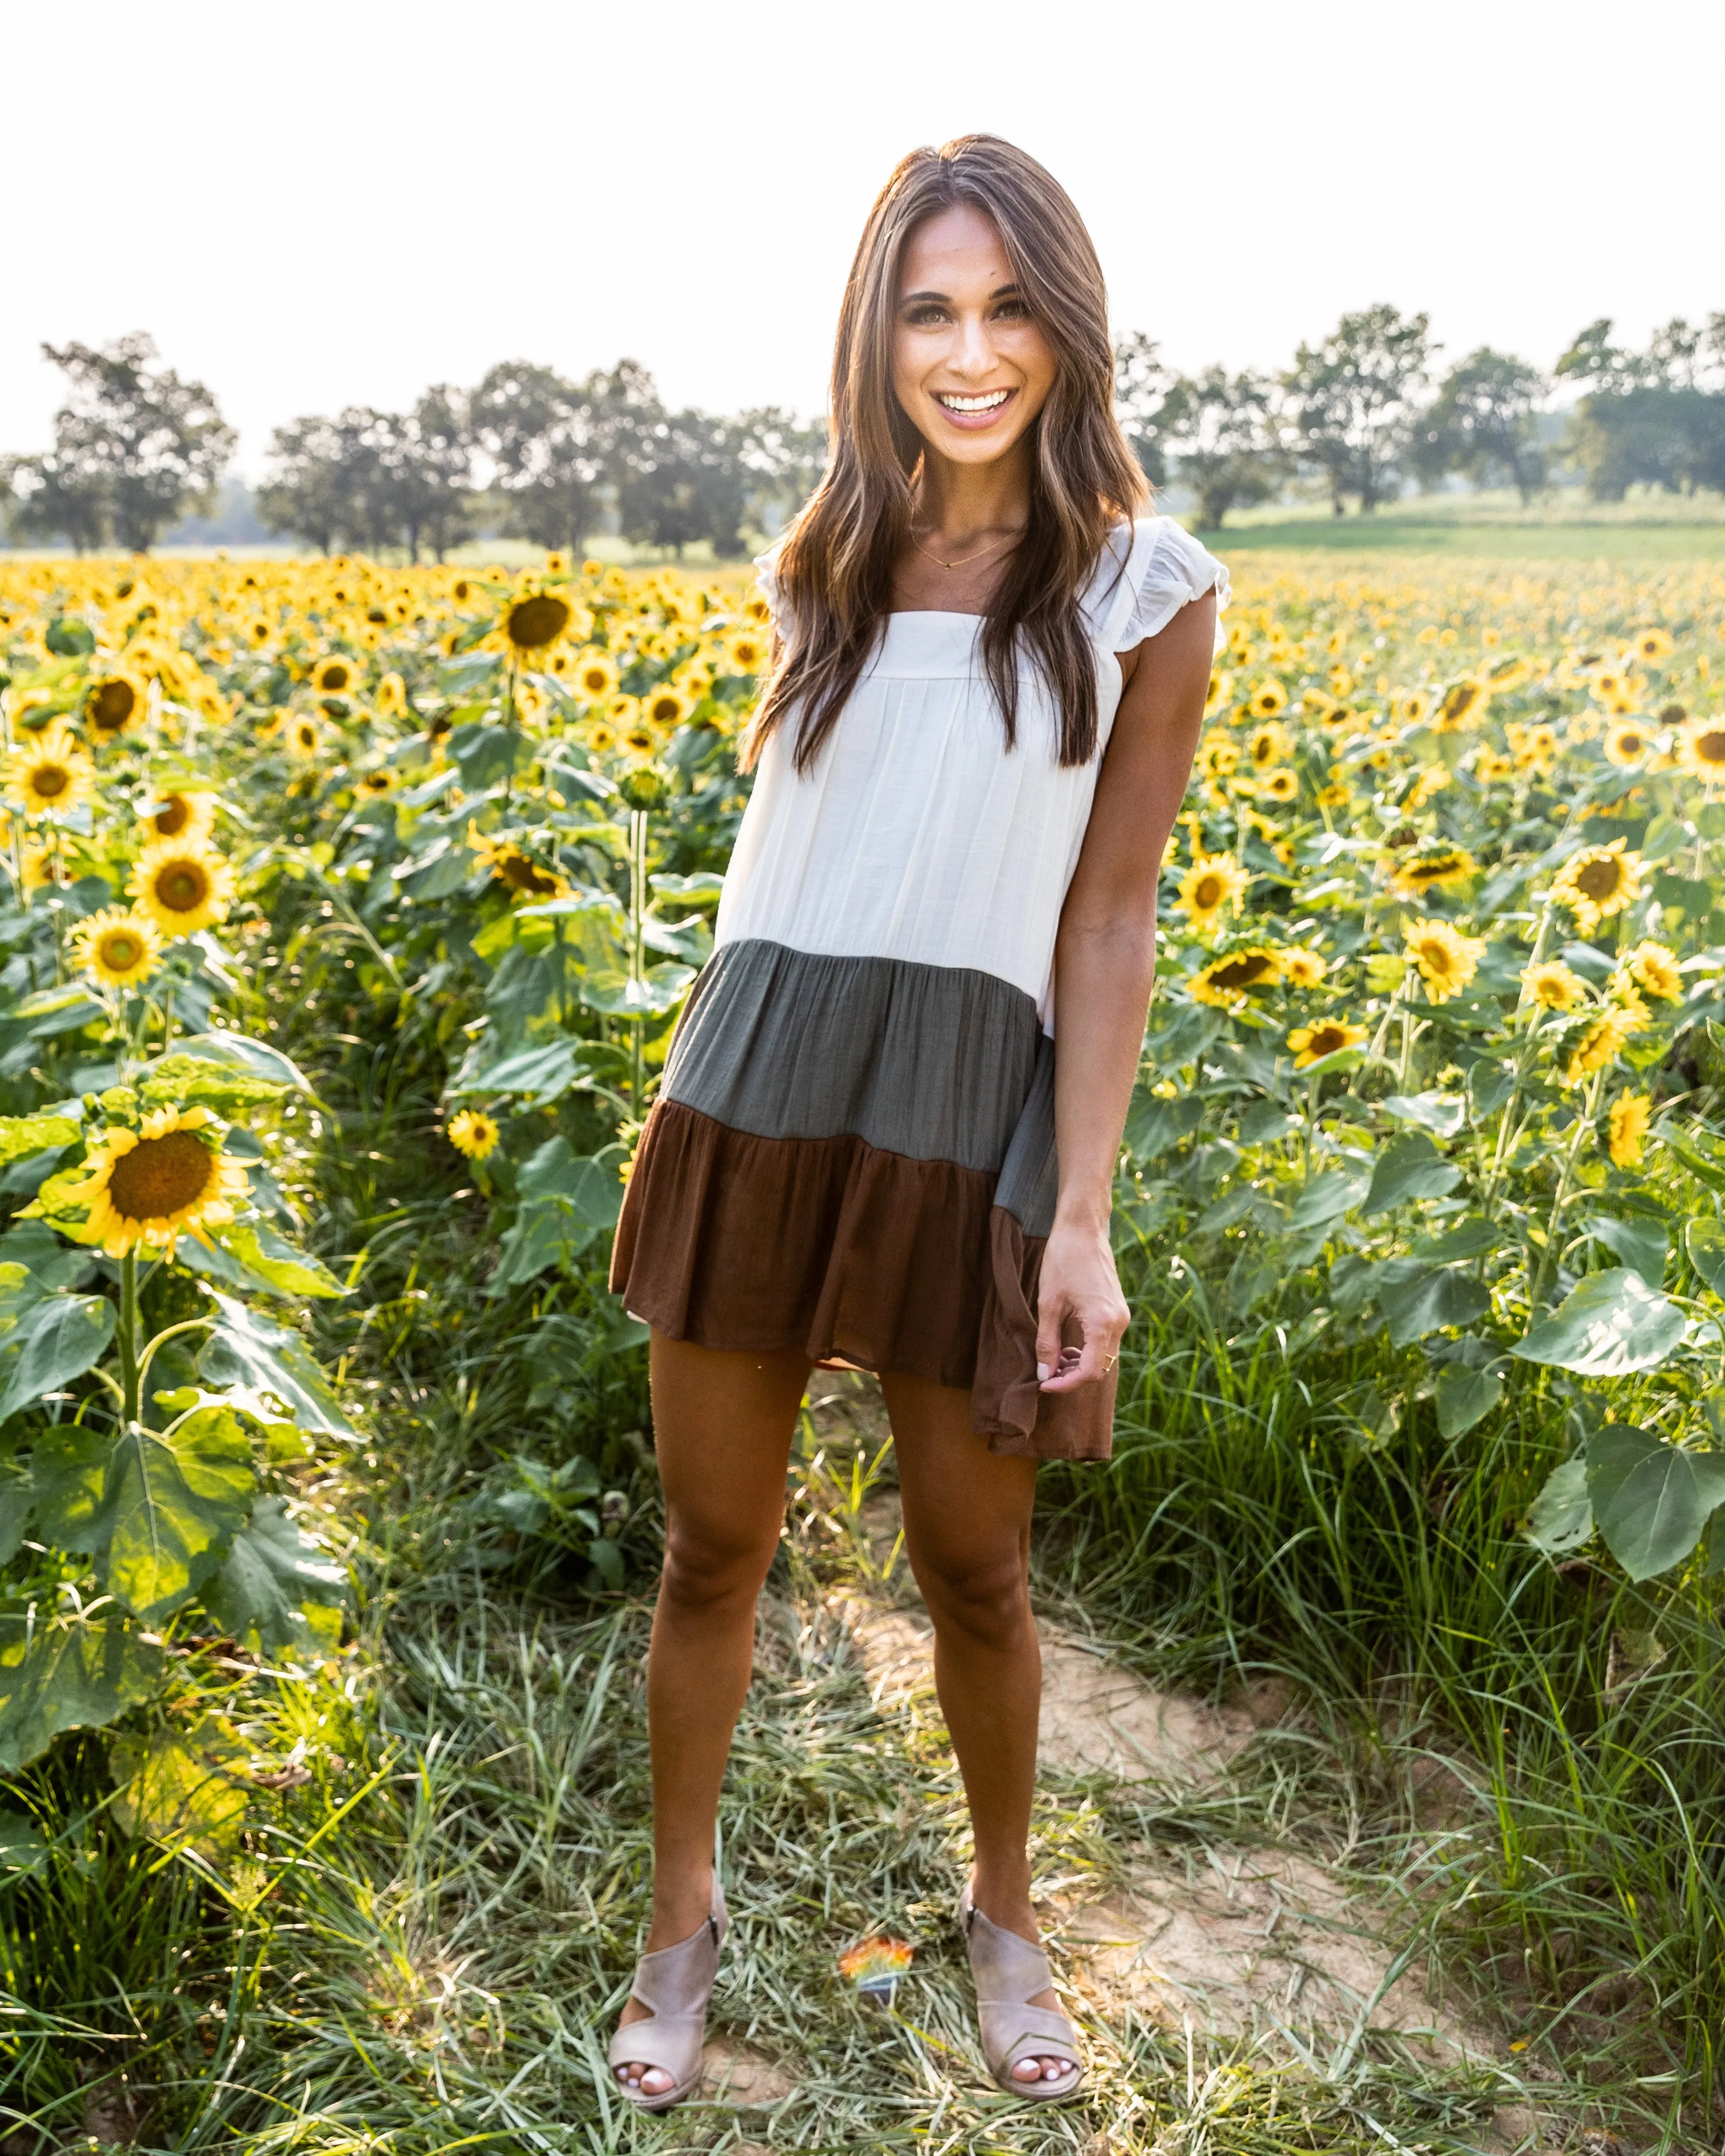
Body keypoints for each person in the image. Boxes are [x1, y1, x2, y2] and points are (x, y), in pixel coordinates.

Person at [605, 133, 1225, 2111]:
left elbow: (1108, 910)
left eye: (1009, 306)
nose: (971, 353)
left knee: (974, 1563)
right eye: (930, 312)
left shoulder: (1147, 588)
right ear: (876, 336)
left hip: (976, 1102)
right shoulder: (818, 559)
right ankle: (677, 1926)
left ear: (1069, 322)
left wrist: (1085, 1214)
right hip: (766, 1071)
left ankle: (1004, 1912)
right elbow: (782, 861)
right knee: (715, 1549)